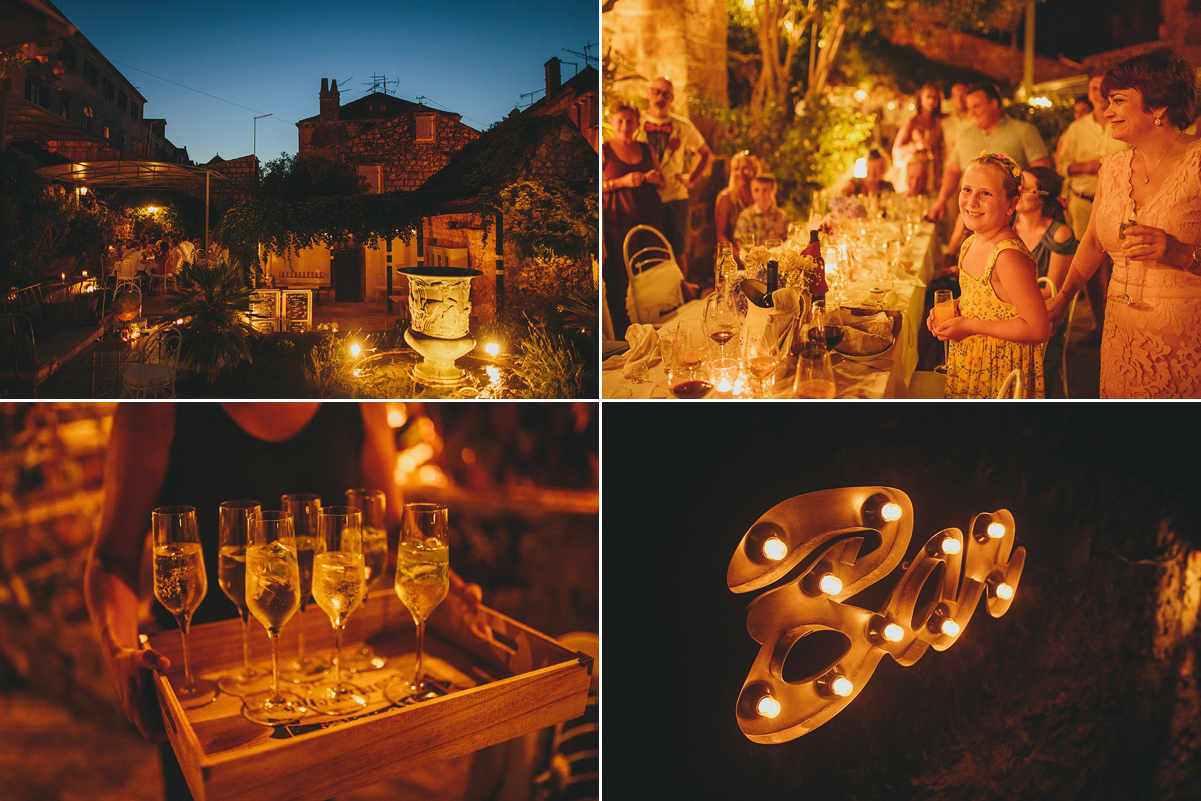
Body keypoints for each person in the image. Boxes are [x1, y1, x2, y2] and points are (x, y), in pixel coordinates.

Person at [84, 403, 484, 799]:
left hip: (315, 678)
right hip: (204, 690)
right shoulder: (158, 398)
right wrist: (117, 650)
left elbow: (393, 527)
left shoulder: (358, 394)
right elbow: (112, 559)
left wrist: (441, 587)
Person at [1047, 48, 1201, 398]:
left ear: (1158, 105)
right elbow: (1092, 243)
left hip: (1186, 338)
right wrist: (1066, 295)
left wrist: (1181, 252)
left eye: (1117, 100)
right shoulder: (1114, 168)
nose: (1106, 111)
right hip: (1122, 336)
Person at [929, 153, 1051, 398]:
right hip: (972, 362)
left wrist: (969, 325)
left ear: (1011, 204)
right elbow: (986, 300)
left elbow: (1039, 328)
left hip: (1000, 370)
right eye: (967, 189)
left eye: (985, 193)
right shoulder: (971, 242)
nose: (971, 201)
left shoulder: (1007, 256)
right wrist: (955, 306)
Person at [927, 82, 1052, 254]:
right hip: (971, 216)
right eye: (969, 107)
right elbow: (953, 170)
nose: (972, 112)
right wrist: (940, 201)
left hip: (1011, 221)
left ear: (994, 104)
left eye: (977, 106)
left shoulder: (1024, 131)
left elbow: (1042, 173)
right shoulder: (964, 135)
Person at [1054, 69, 1129, 346]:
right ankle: (1099, 323)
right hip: (1084, 201)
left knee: (1120, 263)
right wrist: (1086, 166)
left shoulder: (1124, 121)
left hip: (1121, 202)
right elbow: (1062, 165)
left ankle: (1120, 323)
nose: (1098, 93)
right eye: (1094, 88)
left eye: (1104, 88)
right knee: (1092, 264)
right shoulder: (1077, 129)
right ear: (1089, 91)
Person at [636, 76, 712, 281]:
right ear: (648, 93)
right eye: (656, 92)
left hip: (676, 197)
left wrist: (692, 179)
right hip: (645, 197)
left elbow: (705, 153)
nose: (660, 97)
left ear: (672, 98)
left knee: (678, 249)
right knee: (648, 249)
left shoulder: (682, 126)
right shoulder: (636, 123)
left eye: (666, 94)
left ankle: (681, 295)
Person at [603, 102, 665, 335]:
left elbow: (664, 183)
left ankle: (654, 326)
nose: (625, 126)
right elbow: (596, 187)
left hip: (649, 220)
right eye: (620, 121)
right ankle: (626, 332)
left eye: (630, 121)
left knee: (651, 272)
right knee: (620, 278)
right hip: (618, 221)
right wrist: (622, 182)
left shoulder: (647, 149)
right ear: (612, 122)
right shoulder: (604, 150)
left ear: (637, 123)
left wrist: (654, 178)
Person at [1015, 167, 1078, 281]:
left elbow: (1053, 292)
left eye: (1026, 188)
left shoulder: (1060, 234)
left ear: (1042, 198)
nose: (1018, 191)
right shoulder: (1006, 223)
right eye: (1018, 185)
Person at [893, 83, 946, 196]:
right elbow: (896, 150)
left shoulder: (938, 123)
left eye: (935, 97)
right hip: (914, 175)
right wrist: (915, 146)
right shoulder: (912, 122)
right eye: (928, 97)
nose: (931, 100)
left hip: (932, 174)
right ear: (921, 98)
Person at [715, 150, 758, 263]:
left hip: (759, 255)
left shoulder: (760, 195)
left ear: (754, 170)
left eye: (745, 168)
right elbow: (720, 236)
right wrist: (740, 257)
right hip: (733, 257)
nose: (740, 172)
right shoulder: (726, 197)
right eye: (736, 169)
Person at [733, 174, 789, 252]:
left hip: (776, 260)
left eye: (765, 190)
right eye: (756, 190)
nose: (761, 194)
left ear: (773, 191)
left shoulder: (781, 216)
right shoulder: (746, 216)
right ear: (751, 192)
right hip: (753, 261)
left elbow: (787, 242)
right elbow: (741, 245)